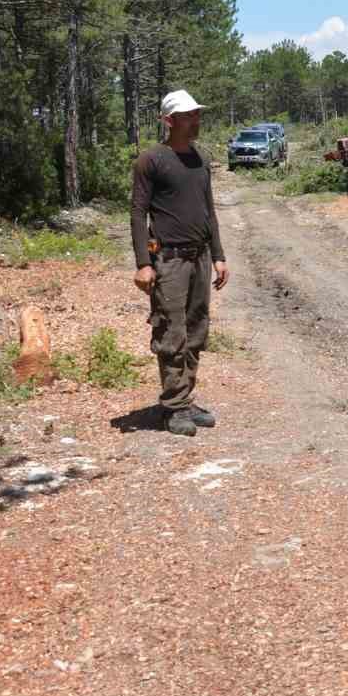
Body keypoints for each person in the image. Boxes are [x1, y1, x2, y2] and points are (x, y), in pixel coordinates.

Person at [130, 89, 230, 437]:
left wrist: (218, 255)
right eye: (188, 116)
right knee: (171, 332)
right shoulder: (152, 160)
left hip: (200, 257)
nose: (196, 120)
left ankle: (185, 399)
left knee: (195, 328)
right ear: (169, 120)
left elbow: (209, 211)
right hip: (169, 259)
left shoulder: (200, 160)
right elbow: (138, 211)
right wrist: (144, 263)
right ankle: (174, 407)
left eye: (197, 114)